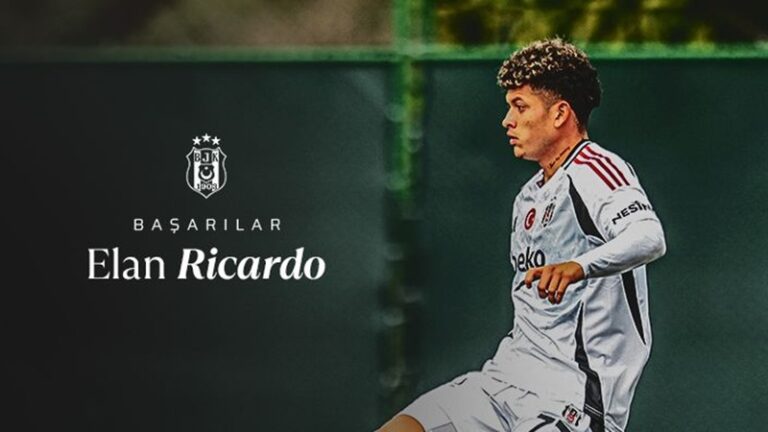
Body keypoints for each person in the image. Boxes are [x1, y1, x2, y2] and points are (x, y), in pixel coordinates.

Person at [378, 38, 667, 432]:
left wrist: (577, 267)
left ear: (559, 113)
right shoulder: (529, 195)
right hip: (505, 380)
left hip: (572, 398)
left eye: (520, 106)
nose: (507, 121)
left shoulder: (594, 170)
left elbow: (649, 236)